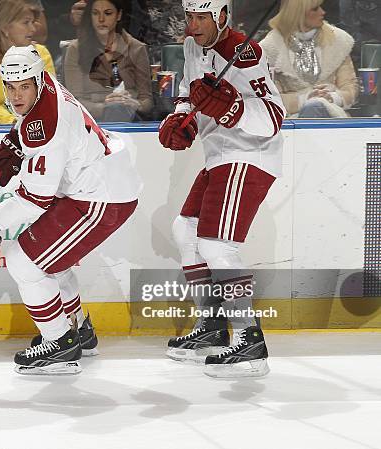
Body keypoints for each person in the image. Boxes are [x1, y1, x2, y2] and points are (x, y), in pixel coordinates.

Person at [0, 45, 141, 375]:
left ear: (37, 81)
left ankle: (60, 344)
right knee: (48, 258)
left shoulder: (45, 124)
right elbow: (31, 125)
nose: (17, 95)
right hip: (98, 187)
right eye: (10, 86)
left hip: (100, 198)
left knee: (24, 261)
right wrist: (13, 144)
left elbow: (35, 198)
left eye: (24, 87)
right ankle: (78, 330)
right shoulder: (48, 86)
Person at [158, 0, 286, 378]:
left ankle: (249, 338)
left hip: (250, 154)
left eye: (202, 18)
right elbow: (188, 92)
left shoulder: (246, 56)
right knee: (186, 231)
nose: (193, 25)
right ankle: (213, 325)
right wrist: (181, 120)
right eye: (190, 17)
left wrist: (234, 110)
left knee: (216, 245)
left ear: (223, 16)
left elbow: (273, 119)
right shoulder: (191, 46)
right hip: (220, 154)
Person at [260, 0, 358, 118]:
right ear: (298, 13)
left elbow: (350, 89)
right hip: (291, 120)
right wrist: (305, 99)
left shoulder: (338, 41)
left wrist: (332, 97)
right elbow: (268, 98)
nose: (323, 12)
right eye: (315, 9)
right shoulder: (271, 48)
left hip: (334, 116)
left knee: (316, 106)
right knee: (312, 107)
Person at [63, 0, 152, 122]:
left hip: (129, 116)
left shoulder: (137, 48)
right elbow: (74, 101)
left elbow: (147, 101)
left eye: (108, 13)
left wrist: (135, 104)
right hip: (89, 120)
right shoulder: (75, 49)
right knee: (115, 109)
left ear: (118, 15)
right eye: (95, 13)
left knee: (119, 110)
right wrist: (105, 106)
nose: (101, 19)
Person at [0, 0, 54, 124]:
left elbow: (49, 95)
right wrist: (13, 121)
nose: (33, 29)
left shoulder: (41, 54)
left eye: (32, 22)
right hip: (0, 129)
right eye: (26, 23)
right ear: (5, 28)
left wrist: (32, 120)